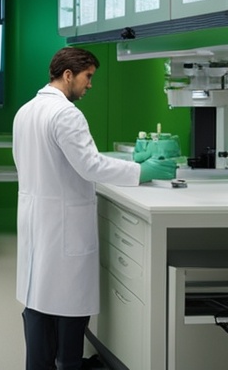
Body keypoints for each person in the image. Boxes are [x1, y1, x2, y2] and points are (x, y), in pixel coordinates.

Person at [12, 47, 176, 370]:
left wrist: (130, 161)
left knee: (39, 302)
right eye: (88, 77)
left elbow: (66, 161)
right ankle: (69, 363)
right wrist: (143, 172)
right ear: (69, 75)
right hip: (63, 226)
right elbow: (89, 166)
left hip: (38, 221)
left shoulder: (27, 111)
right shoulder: (66, 114)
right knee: (68, 306)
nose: (90, 85)